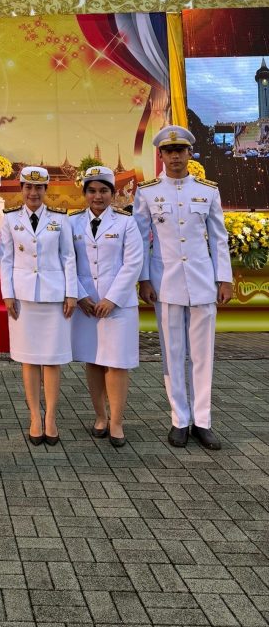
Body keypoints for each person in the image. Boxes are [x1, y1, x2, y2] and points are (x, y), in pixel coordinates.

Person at [134, 125, 233, 450]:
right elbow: (141, 239)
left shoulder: (207, 191)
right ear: (160, 155)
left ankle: (202, 421)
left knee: (203, 355)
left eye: (180, 151)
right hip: (166, 283)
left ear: (189, 153)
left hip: (202, 282)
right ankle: (179, 420)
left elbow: (218, 237)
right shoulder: (147, 192)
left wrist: (225, 278)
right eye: (169, 151)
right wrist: (144, 278)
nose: (175, 156)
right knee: (173, 354)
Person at [0, 166, 77, 446]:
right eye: (28, 188)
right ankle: (34, 416)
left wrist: (71, 293)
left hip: (54, 296)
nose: (33, 193)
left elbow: (68, 257)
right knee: (29, 359)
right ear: (21, 189)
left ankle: (51, 417)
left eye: (39, 188)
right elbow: (6, 259)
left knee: (52, 360)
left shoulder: (59, 218)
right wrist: (8, 294)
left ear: (46, 190)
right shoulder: (10, 218)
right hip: (23, 297)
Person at [70, 166, 143, 447]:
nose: (97, 196)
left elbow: (133, 263)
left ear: (113, 193)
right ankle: (100, 416)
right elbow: (67, 261)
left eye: (103, 191)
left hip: (118, 306)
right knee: (93, 360)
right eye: (92, 191)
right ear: (85, 193)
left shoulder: (126, 222)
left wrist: (112, 299)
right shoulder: (72, 223)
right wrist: (80, 295)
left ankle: (117, 421)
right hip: (87, 305)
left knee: (117, 363)